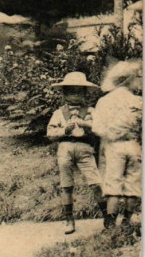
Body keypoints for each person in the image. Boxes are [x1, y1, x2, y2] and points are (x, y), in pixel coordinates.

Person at [46, 72, 106, 235]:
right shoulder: (59, 113)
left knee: (95, 182)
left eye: (79, 91)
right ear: (65, 94)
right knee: (66, 185)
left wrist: (85, 124)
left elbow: (100, 129)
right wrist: (64, 130)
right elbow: (50, 133)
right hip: (65, 148)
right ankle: (69, 219)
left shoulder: (91, 111)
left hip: (85, 148)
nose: (75, 96)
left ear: (85, 94)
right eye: (71, 91)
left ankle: (108, 217)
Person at [93, 60, 142, 230]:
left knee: (113, 183)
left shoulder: (104, 101)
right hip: (134, 145)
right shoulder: (138, 101)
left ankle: (111, 223)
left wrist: (113, 133)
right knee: (133, 182)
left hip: (114, 145)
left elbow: (97, 128)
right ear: (128, 79)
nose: (140, 79)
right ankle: (127, 222)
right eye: (137, 76)